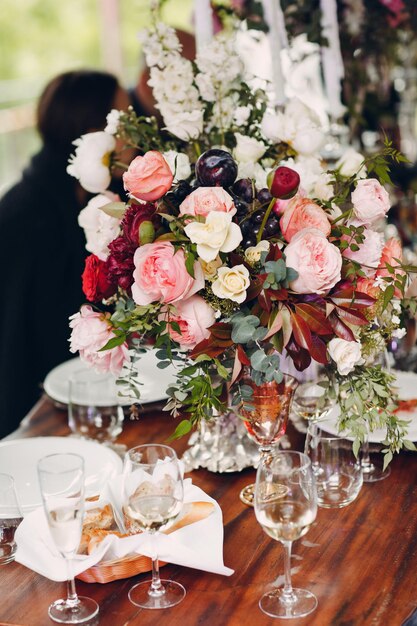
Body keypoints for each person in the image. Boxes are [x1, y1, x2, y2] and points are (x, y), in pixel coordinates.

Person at [0, 69, 131, 439]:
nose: (135, 126)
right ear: (92, 130)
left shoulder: (92, 193)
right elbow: (30, 339)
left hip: (83, 392)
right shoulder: (27, 216)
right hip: (37, 412)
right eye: (124, 116)